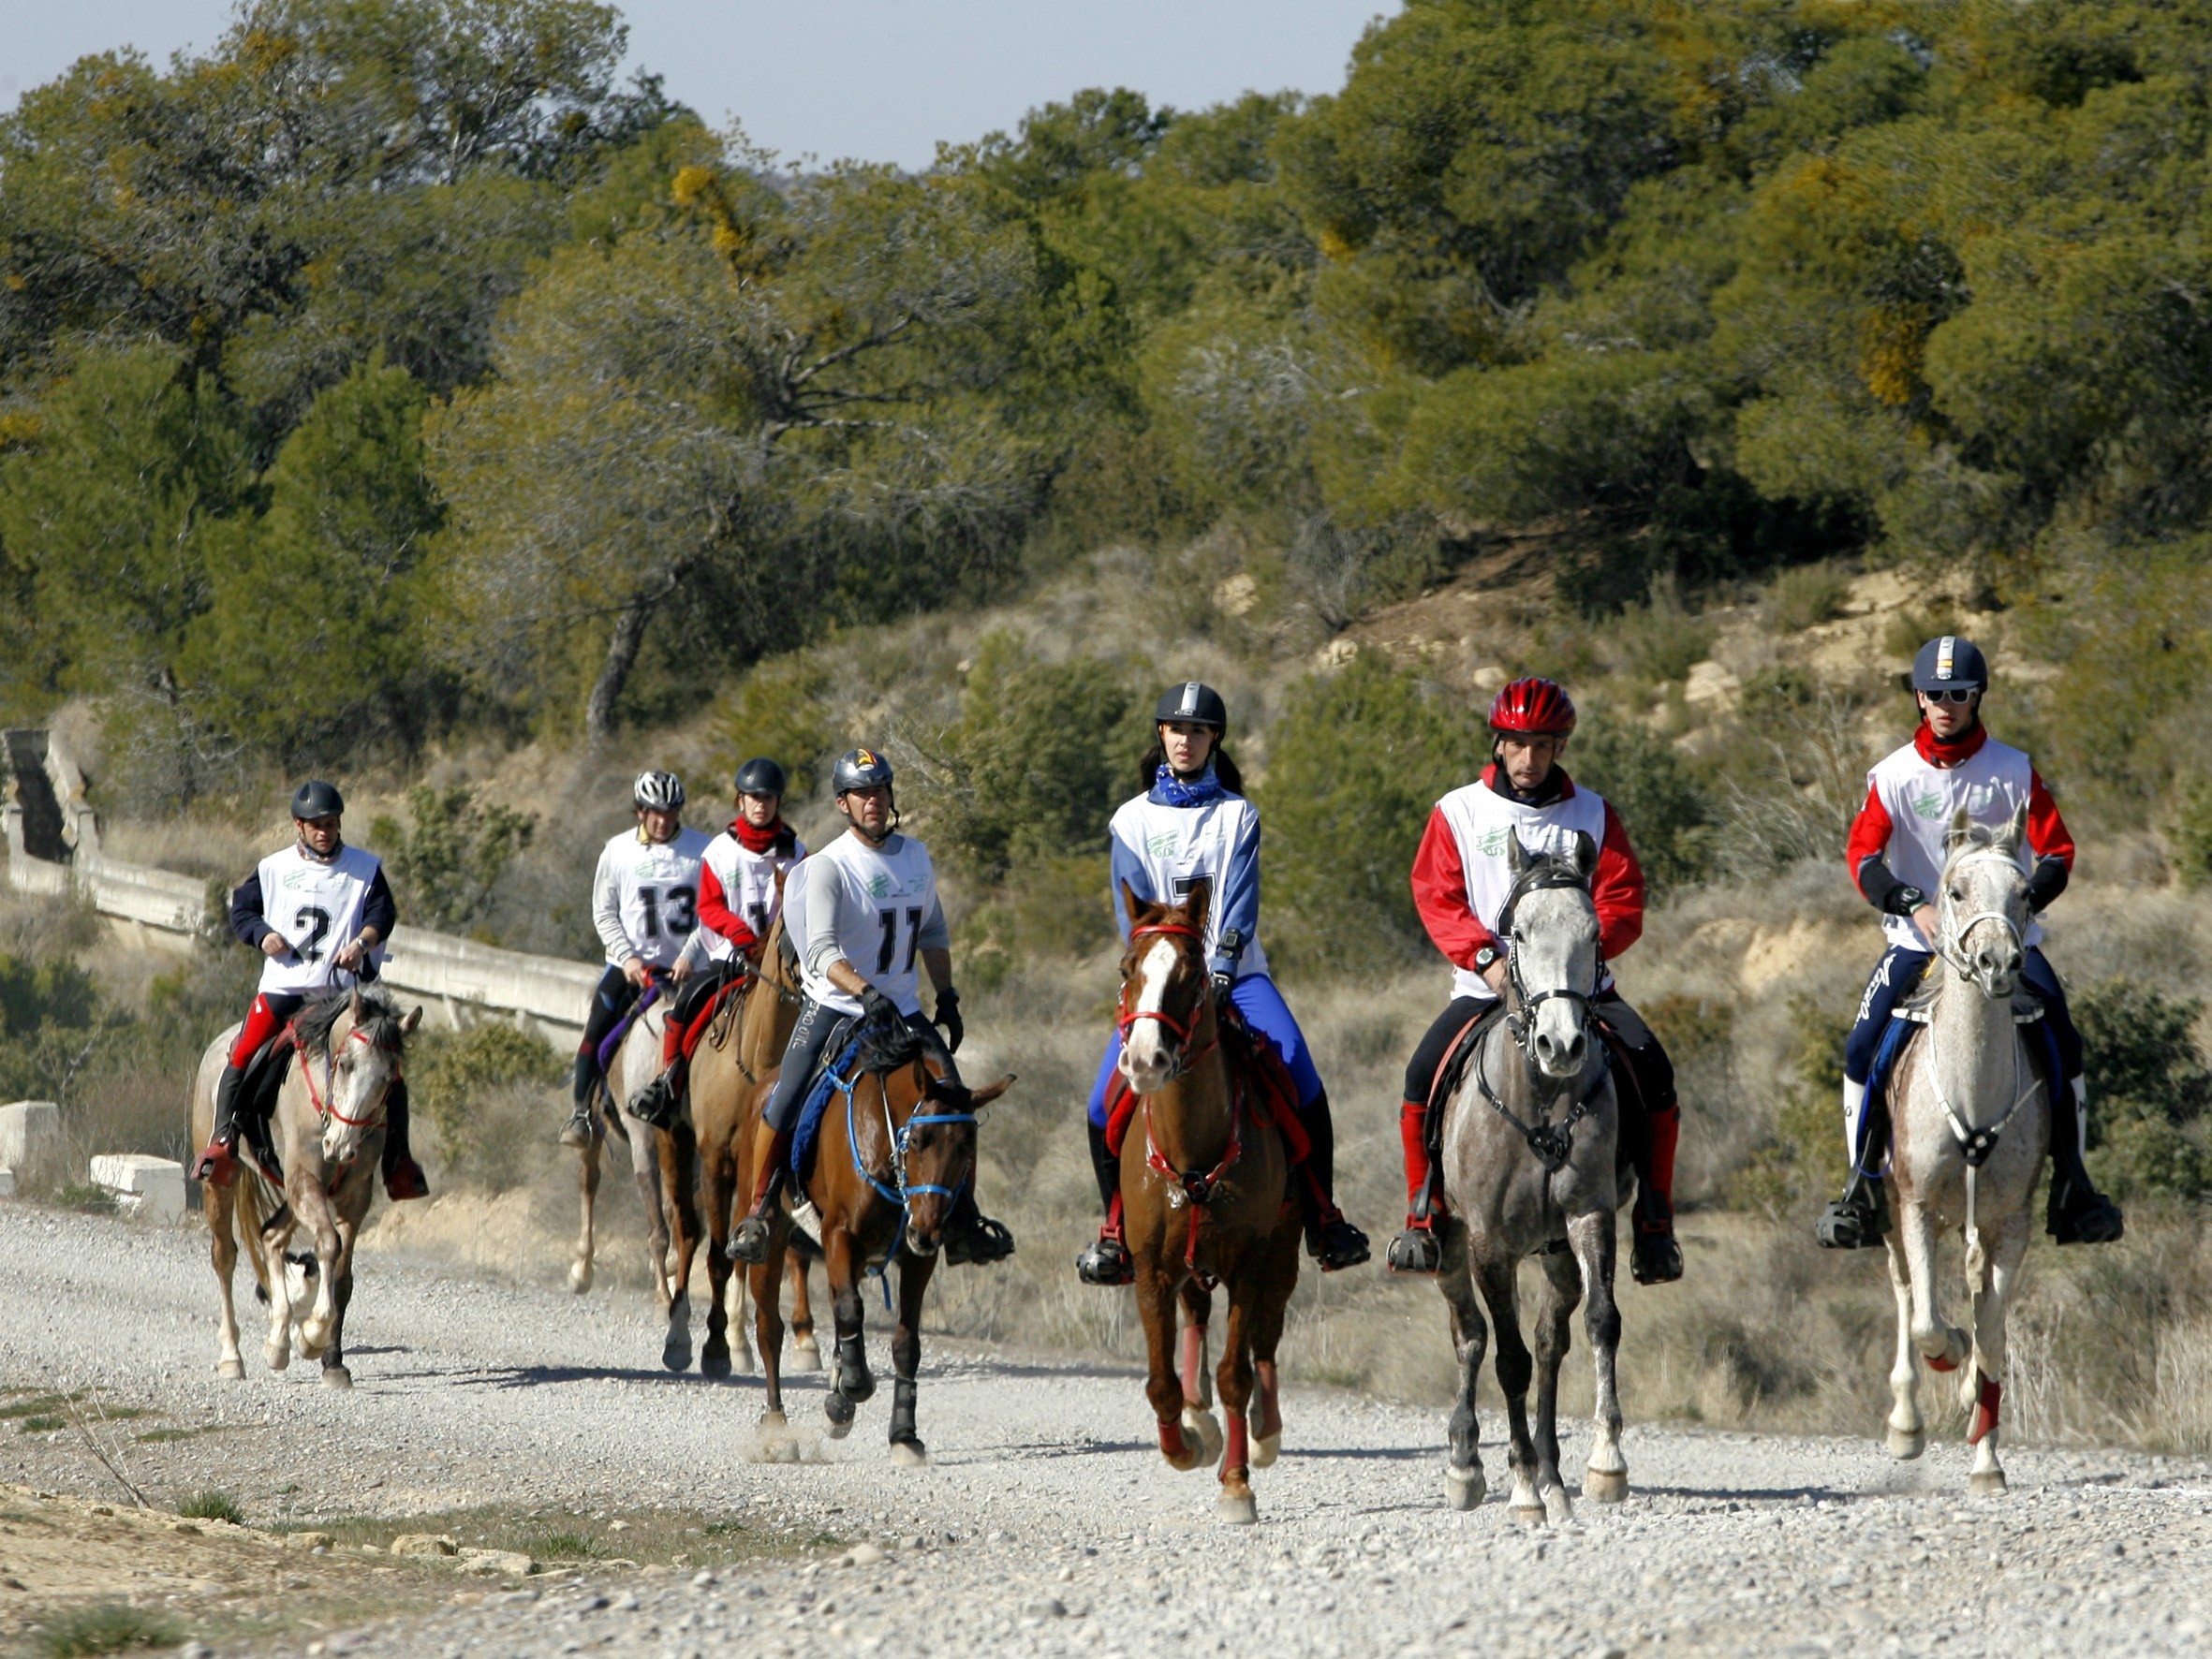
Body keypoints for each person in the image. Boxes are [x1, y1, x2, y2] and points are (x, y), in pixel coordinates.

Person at [1817, 636, 2124, 1249]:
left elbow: (2058, 851)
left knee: (2064, 1039)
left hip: (2005, 941)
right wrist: (1913, 904)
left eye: (1959, 693)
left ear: (1977, 696)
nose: (1946, 704)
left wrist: (2023, 903)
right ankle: (1860, 1187)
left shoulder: (2014, 769)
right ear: (1918, 698)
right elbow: (1862, 856)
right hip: (1917, 943)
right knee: (1861, 1047)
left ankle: (2074, 1185)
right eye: (1934, 693)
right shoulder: (1893, 776)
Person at [1388, 677, 1682, 1285]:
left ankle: (1654, 1222)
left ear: (1560, 748)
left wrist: (1583, 955)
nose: (1530, 758)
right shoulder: (1458, 811)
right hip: (1485, 987)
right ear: (1499, 744)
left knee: (1653, 1072)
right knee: (1421, 1078)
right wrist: (1484, 960)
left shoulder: (1594, 814)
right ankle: (1424, 1214)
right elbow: (1438, 895)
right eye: (1518, 744)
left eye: (1543, 745)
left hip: (1579, 991)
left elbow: (1622, 899)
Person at [1076, 682, 1371, 1286]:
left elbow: (1239, 904)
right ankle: (1115, 1232)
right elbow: (1133, 916)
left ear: (1215, 740)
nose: (1185, 740)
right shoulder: (1130, 820)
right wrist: (1166, 971)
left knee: (1300, 1073)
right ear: (1161, 734)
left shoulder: (1238, 815)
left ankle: (1324, 1217)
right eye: (1176, 729)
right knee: (1102, 1103)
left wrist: (1220, 972)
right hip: (1164, 980)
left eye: (1198, 731)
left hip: (1238, 977)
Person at [726, 747, 1013, 1266]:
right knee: (785, 1097)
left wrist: (946, 994)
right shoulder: (828, 866)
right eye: (861, 793)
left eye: (880, 790)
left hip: (901, 1008)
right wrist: (864, 992)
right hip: (837, 1005)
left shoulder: (915, 856)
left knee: (955, 1105)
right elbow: (820, 952)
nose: (873, 801)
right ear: (843, 803)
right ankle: (760, 1208)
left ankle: (964, 1221)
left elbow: (933, 931)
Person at [190, 780, 426, 1199]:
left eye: (331, 824)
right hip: (286, 985)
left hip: (344, 992)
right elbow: (241, 910)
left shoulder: (365, 868)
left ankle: (398, 1162)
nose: (325, 832)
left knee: (388, 1064)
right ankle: (223, 1141)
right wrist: (262, 935)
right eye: (316, 825)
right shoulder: (273, 868)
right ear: (299, 825)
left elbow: (382, 914)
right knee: (243, 1053)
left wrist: (362, 944)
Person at [627, 758, 806, 1127]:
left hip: (782, 962)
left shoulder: (797, 853)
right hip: (731, 958)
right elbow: (708, 906)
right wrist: (738, 933)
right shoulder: (719, 852)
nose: (761, 804)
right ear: (740, 800)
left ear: (777, 802)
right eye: (754, 797)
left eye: (768, 798)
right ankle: (669, 1083)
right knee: (685, 1005)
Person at [561, 771, 711, 1148]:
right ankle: (581, 1113)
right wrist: (627, 959)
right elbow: (604, 913)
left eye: (670, 812)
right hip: (632, 969)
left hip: (687, 968)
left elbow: (711, 911)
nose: (663, 820)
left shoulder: (704, 851)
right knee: (597, 1029)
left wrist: (690, 954)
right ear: (640, 812)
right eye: (655, 812)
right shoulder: (617, 851)